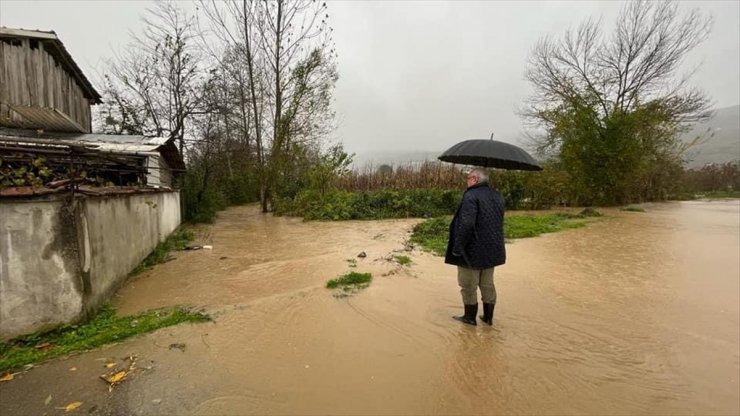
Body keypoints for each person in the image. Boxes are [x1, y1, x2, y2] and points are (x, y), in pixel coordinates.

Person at [445, 168, 506, 326]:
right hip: (492, 248)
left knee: (468, 284)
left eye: (468, 177)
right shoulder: (497, 195)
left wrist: (458, 246)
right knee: (487, 283)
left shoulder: (471, 195)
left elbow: (467, 223)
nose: (467, 180)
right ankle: (488, 317)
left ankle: (469, 318)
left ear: (475, 179)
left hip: (472, 250)